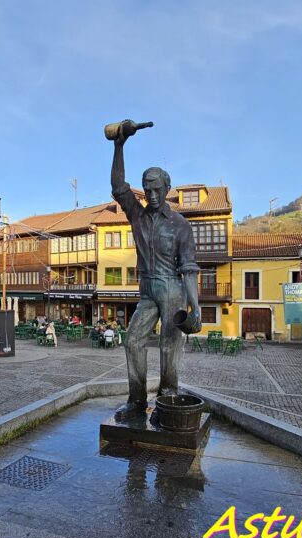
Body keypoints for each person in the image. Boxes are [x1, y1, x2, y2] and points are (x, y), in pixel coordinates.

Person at [109, 119, 201, 421]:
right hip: (147, 289)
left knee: (168, 345)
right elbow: (118, 187)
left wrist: (195, 307)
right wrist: (119, 145)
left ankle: (167, 397)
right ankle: (136, 401)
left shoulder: (180, 225)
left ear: (167, 187)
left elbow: (188, 268)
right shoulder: (136, 215)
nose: (151, 194)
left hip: (172, 289)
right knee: (133, 339)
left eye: (156, 188)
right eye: (147, 189)